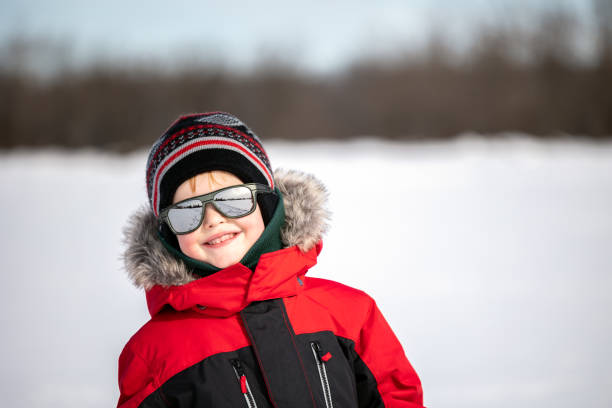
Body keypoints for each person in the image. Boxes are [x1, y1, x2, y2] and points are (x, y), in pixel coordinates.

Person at [117, 112, 424, 408]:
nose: (212, 220)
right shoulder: (152, 353)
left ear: (265, 204)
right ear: (168, 232)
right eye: (187, 211)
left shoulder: (350, 314)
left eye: (233, 200)